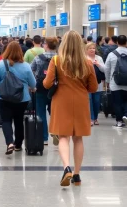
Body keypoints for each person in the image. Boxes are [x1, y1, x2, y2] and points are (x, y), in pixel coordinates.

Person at [43, 31, 98, 187]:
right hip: (80, 102)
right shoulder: (87, 63)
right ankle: (77, 175)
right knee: (78, 138)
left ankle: (66, 167)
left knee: (63, 137)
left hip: (61, 102)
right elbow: (93, 87)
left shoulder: (56, 60)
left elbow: (47, 84)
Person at [0, 42, 36, 155]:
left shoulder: (2, 64)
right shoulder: (26, 65)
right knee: (18, 120)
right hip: (22, 99)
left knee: (6, 120)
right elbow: (33, 83)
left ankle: (9, 143)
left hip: (4, 98)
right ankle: (18, 144)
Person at [31, 37, 58, 145]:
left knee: (41, 113)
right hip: (56, 89)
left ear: (46, 45)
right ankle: (57, 132)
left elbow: (31, 69)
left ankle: (44, 138)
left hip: (41, 88)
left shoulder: (38, 58)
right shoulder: (60, 58)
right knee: (55, 113)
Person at [105, 35, 127, 129]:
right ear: (126, 43)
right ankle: (126, 115)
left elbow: (107, 68)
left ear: (117, 42)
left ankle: (119, 122)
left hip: (115, 83)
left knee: (117, 103)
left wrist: (107, 81)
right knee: (126, 101)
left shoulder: (112, 54)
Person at [85, 42, 105, 126]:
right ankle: (91, 118)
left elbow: (104, 69)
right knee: (89, 101)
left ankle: (95, 117)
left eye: (93, 48)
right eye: (90, 48)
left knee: (96, 102)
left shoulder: (99, 58)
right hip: (87, 84)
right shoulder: (84, 58)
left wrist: (98, 64)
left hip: (98, 84)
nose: (92, 50)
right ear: (86, 50)